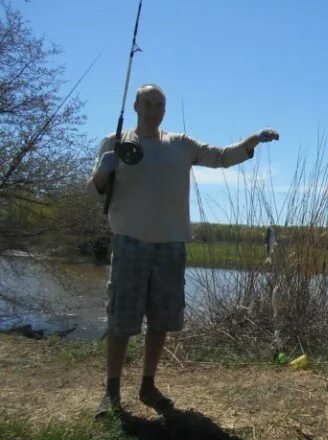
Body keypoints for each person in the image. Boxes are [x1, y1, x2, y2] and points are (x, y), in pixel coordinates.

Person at [87, 84, 279, 416]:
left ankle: (148, 385)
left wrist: (252, 141)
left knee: (161, 320)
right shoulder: (115, 142)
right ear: (135, 105)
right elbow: (94, 193)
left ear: (165, 110)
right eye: (147, 103)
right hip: (129, 243)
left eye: (159, 104)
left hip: (171, 247)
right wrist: (102, 171)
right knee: (120, 319)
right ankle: (112, 392)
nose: (153, 109)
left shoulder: (181, 144)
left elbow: (220, 157)